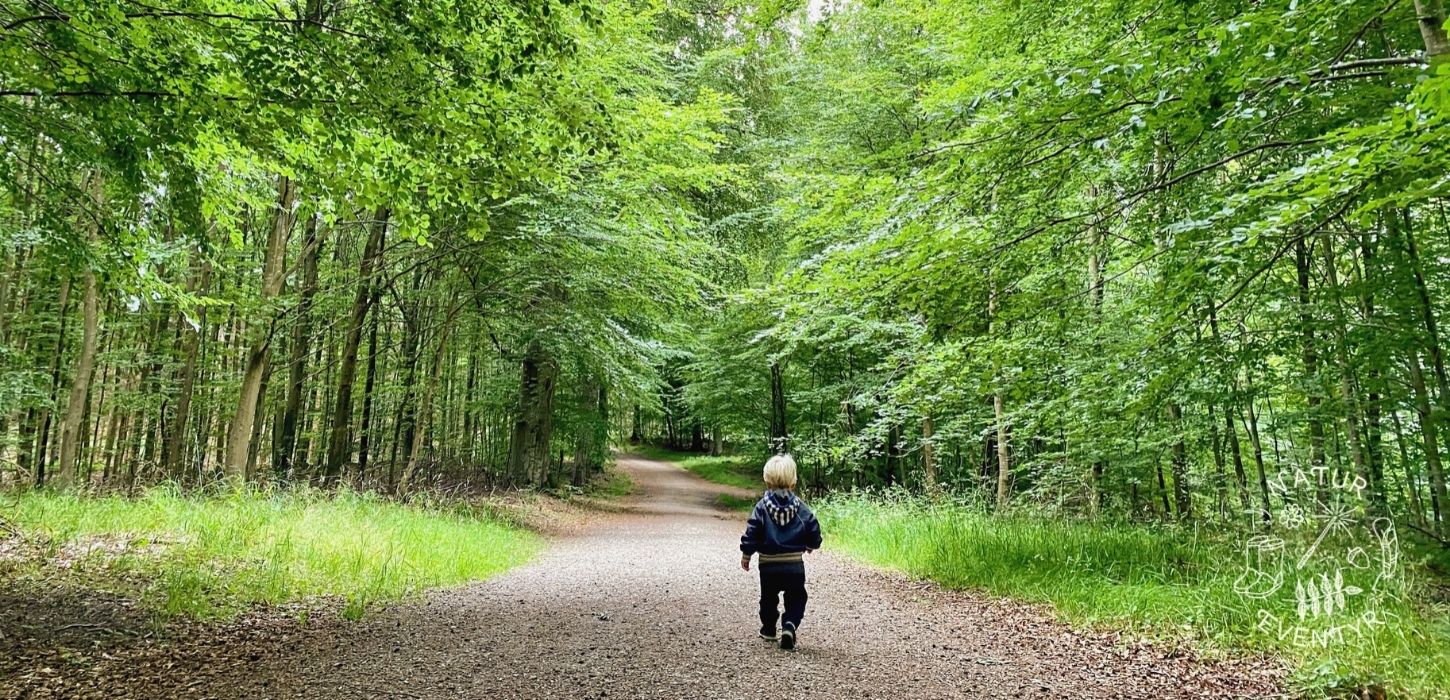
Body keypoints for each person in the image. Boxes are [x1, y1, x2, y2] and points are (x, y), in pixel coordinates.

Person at [739, 453, 822, 650]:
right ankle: (790, 625)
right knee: (796, 597)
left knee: (768, 597)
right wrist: (812, 544)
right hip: (794, 564)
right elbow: (813, 527)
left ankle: (768, 629)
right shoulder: (801, 508)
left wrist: (747, 553)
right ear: (793, 482)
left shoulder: (761, 508)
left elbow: (753, 530)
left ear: (767, 482)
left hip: (768, 565)